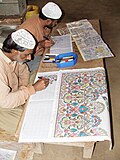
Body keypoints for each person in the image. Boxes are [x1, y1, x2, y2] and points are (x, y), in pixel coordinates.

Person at [0, 29, 49, 134]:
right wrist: (32, 89)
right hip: (2, 105)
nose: (30, 57)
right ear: (14, 51)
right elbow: (5, 102)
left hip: (13, 91)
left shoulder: (11, 54)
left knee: (38, 76)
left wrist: (23, 88)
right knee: (32, 123)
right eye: (26, 54)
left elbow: (23, 71)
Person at [18, 1, 63, 71]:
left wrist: (47, 33)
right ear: (48, 21)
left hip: (40, 53)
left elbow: (44, 34)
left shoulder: (39, 19)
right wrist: (40, 44)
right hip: (28, 61)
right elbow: (21, 54)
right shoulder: (28, 30)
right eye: (55, 22)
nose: (56, 23)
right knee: (54, 67)